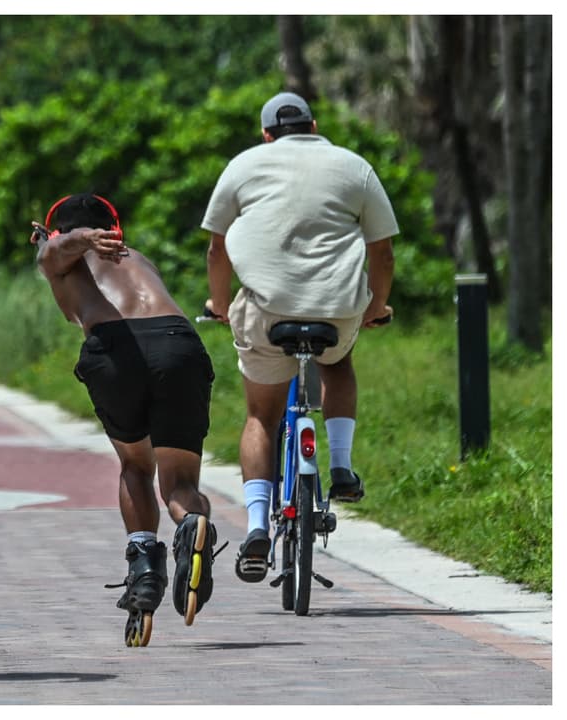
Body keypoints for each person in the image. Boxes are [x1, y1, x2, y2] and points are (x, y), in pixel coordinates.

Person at [202, 91, 397, 584]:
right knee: (337, 362)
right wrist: (376, 307)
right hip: (338, 311)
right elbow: (383, 252)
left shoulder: (244, 165)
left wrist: (220, 306)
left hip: (267, 314)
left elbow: (216, 250)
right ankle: (343, 468)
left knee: (261, 417)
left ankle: (254, 527)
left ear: (267, 134)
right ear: (314, 125)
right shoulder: (354, 166)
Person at [29, 193, 219, 637]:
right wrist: (89, 238)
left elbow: (54, 250)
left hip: (117, 347)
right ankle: (191, 524)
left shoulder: (57, 254)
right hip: (178, 342)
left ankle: (144, 570)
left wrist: (71, 239)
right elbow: (69, 245)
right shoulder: (136, 255)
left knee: (135, 466)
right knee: (182, 484)